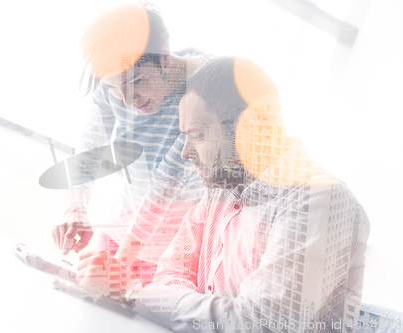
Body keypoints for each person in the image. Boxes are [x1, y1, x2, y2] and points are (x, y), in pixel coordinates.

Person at [131, 56, 371, 333]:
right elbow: (170, 274)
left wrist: (143, 296)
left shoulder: (322, 200)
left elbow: (256, 324)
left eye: (197, 135)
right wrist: (209, 315)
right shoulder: (221, 188)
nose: (185, 153)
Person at [52, 2, 207, 296]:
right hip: (118, 234)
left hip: (174, 258)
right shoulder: (116, 70)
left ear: (164, 54)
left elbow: (168, 181)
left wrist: (121, 264)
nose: (126, 101)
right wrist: (75, 209)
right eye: (113, 89)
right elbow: (90, 147)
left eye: (136, 82)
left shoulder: (208, 86)